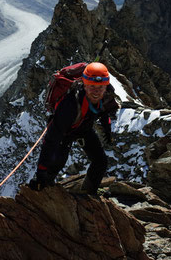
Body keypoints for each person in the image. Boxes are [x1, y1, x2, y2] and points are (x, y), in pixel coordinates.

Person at [29, 62, 119, 194]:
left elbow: (104, 111)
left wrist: (107, 129)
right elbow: (50, 141)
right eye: (92, 86)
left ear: (106, 87)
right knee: (56, 163)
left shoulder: (107, 94)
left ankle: (89, 193)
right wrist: (40, 171)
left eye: (100, 87)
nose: (96, 91)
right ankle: (42, 190)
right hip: (66, 132)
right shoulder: (69, 105)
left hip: (84, 128)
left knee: (100, 161)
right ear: (84, 84)